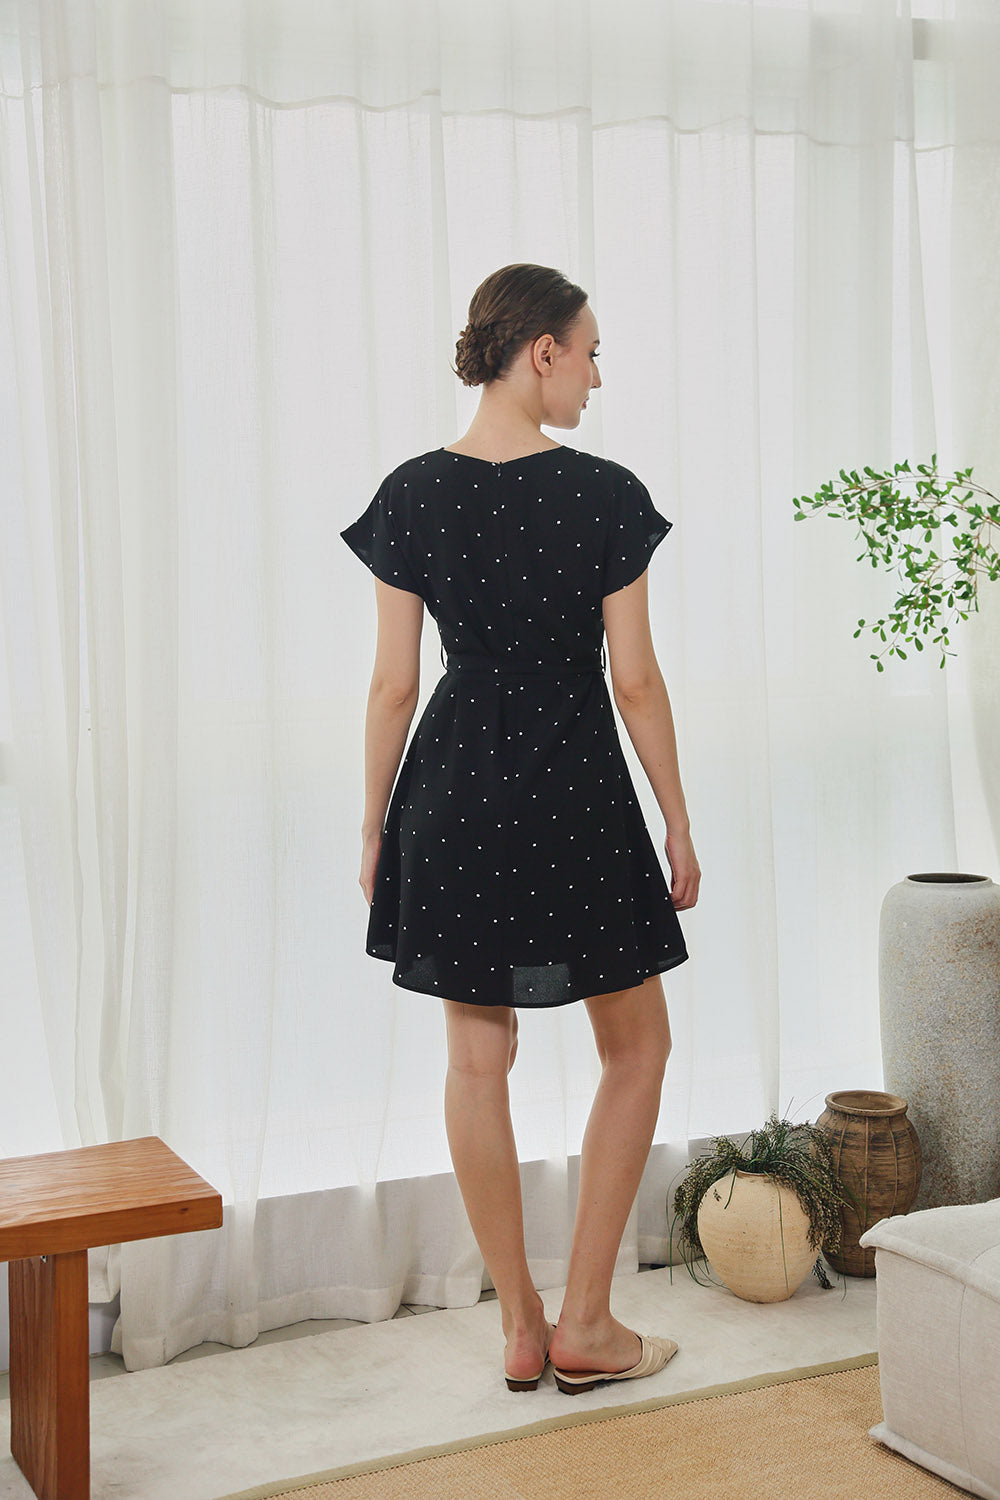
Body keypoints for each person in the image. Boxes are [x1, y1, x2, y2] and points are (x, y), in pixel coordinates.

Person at [341, 263, 700, 1396]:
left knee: (474, 1061)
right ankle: (587, 1322)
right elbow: (634, 682)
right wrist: (677, 823)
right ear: (541, 350)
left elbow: (393, 686)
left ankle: (519, 1326)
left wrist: (372, 826)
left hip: (452, 794)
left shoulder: (411, 493)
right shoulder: (605, 495)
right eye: (590, 354)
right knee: (636, 1048)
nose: (595, 378)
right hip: (578, 792)